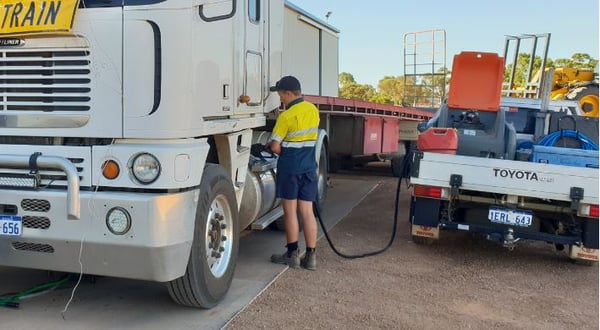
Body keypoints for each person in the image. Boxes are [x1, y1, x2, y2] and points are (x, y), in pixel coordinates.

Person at [268, 75, 320, 271]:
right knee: (307, 212)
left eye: (281, 95)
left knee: (290, 211)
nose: (280, 98)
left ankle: (292, 255)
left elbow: (274, 147)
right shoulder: (313, 110)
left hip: (290, 169)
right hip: (309, 168)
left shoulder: (286, 116)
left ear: (289, 93)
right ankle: (311, 256)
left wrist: (282, 150)